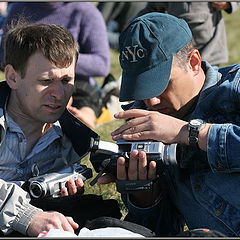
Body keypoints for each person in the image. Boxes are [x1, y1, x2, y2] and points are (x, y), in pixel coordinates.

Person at [98, 12, 240, 237]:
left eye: (162, 84)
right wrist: (143, 193)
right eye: (143, 89)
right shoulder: (143, 127)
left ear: (193, 62)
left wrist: (188, 133)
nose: (151, 101)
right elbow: (161, 230)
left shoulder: (235, 88)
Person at [0, 21, 121, 237]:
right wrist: (26, 215)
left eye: (66, 80)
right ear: (12, 77)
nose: (58, 93)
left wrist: (60, 196)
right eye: (46, 81)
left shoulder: (71, 140)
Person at [0, 2, 111, 129]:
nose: (58, 93)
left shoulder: (85, 11)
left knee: (84, 96)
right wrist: (41, 64)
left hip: (79, 84)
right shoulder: (19, 8)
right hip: (30, 80)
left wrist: (59, 61)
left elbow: (102, 64)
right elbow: (5, 55)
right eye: (46, 81)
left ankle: (83, 122)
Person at [136, 2, 240, 67]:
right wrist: (135, 21)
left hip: (210, 48)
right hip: (179, 49)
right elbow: (153, 7)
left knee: (210, 87)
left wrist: (229, 3)